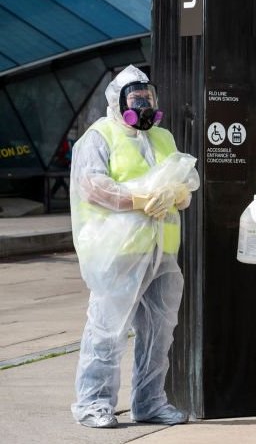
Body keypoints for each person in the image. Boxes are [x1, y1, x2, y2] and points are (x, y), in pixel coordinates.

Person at [70, 65, 198, 428]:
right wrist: (139, 200)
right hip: (118, 251)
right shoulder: (99, 136)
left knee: (160, 332)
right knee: (107, 331)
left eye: (148, 99)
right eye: (136, 100)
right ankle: (93, 404)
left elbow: (184, 180)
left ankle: (150, 402)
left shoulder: (162, 137)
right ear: (118, 103)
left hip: (162, 252)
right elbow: (92, 186)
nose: (144, 106)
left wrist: (177, 193)